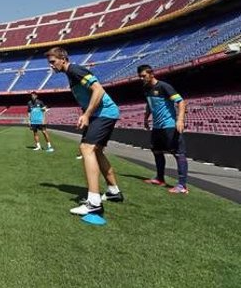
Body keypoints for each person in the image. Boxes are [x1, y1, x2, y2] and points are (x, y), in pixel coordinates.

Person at [45, 47, 123, 216]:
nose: (51, 66)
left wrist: (87, 114)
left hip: (103, 113)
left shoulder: (74, 70)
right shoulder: (70, 73)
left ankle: (94, 202)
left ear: (63, 59)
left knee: (86, 149)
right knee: (97, 151)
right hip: (100, 114)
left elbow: (99, 90)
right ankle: (113, 191)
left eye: (53, 62)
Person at [137, 65, 189, 194]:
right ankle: (160, 179)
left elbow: (181, 102)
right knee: (157, 151)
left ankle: (182, 185)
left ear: (151, 74)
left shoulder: (164, 86)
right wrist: (145, 118)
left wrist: (180, 119)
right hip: (157, 126)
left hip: (169, 125)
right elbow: (149, 104)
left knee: (178, 153)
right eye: (140, 76)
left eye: (144, 76)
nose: (142, 78)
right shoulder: (146, 88)